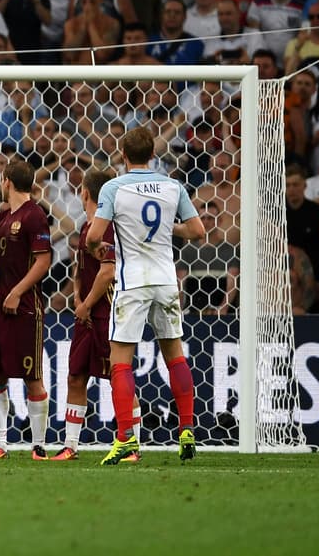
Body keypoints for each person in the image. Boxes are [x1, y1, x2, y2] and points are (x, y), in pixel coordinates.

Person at [85, 126, 204, 465]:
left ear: (123, 155)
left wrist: (98, 246)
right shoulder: (173, 186)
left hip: (133, 281)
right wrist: (172, 228)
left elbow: (93, 235)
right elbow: (197, 231)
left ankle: (125, 439)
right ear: (153, 154)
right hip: (166, 281)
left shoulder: (113, 187)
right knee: (175, 356)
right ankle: (186, 429)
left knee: (120, 360)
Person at [52, 168, 141, 461]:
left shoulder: (109, 228)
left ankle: (132, 445)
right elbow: (80, 269)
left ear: (85, 193)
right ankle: (70, 445)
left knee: (118, 377)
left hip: (108, 315)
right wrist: (78, 296)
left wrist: (86, 304)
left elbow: (108, 273)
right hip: (86, 315)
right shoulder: (85, 228)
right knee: (76, 377)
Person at [0, 159, 53, 460]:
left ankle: (38, 445)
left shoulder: (34, 216)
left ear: (7, 181)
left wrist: (17, 292)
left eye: (0, 179)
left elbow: (43, 261)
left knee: (32, 375)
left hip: (24, 306)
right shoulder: (2, 217)